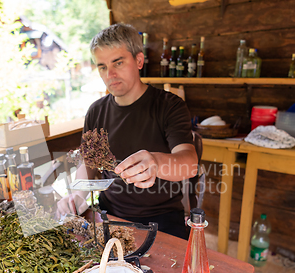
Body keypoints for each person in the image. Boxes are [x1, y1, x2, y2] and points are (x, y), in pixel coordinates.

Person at [57, 23, 197, 239]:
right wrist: (77, 195)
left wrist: (156, 163)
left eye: (118, 63)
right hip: (108, 215)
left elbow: (189, 163)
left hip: (161, 218)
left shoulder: (169, 105)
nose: (110, 74)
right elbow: (89, 164)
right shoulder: (96, 111)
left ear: (139, 61)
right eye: (102, 67)